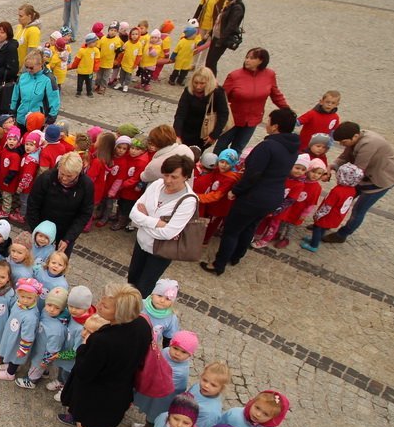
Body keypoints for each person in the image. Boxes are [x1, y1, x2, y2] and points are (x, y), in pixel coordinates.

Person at [56, 283, 153, 427]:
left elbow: (84, 371)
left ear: (121, 313)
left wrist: (84, 346)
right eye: (101, 300)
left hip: (95, 395)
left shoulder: (103, 340)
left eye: (106, 306)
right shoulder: (142, 325)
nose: (99, 306)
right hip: (120, 391)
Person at [202, 108, 299, 276]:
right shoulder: (292, 147)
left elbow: (253, 173)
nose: (266, 124)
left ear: (275, 126)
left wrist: (236, 191)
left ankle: (219, 264)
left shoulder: (267, 146)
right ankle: (237, 256)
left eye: (268, 121)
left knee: (232, 230)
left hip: (255, 196)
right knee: (249, 226)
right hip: (274, 195)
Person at [127, 155, 197, 298]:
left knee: (144, 287)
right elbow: (133, 213)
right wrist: (157, 222)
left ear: (186, 177)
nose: (168, 180)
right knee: (132, 280)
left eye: (174, 177)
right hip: (141, 243)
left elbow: (168, 233)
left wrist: (144, 220)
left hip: (161, 251)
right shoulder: (157, 184)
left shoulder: (188, 200)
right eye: (166, 175)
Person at [321, 122, 394, 244]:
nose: (342, 145)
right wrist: (331, 166)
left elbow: (356, 170)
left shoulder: (368, 144)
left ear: (354, 137)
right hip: (365, 177)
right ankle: (325, 223)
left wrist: (341, 184)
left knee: (358, 210)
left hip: (379, 180)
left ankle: (342, 234)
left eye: (344, 142)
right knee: (341, 201)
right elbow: (344, 156)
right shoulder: (355, 138)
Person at [214, 46, 288, 154]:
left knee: (238, 149)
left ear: (261, 61)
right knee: (221, 147)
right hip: (232, 120)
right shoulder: (234, 76)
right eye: (247, 57)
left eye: (252, 58)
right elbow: (222, 97)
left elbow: (276, 94)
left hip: (252, 121)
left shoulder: (270, 75)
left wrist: (287, 109)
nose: (247, 60)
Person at [25, 152, 93, 256]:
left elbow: (85, 213)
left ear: (78, 173)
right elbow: (32, 206)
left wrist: (68, 239)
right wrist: (37, 232)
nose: (64, 179)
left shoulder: (86, 185)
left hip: (65, 233)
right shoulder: (46, 178)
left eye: (69, 176)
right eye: (62, 174)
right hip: (41, 231)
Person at [172, 67, 228, 149]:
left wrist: (214, 135)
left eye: (202, 83)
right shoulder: (188, 91)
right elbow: (180, 114)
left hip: (204, 134)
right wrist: (177, 135)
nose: (198, 87)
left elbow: (223, 115)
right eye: (196, 83)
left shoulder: (217, 93)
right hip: (186, 130)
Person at [204, 0, 245, 76]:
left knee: (211, 62)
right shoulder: (231, 3)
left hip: (221, 39)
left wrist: (220, 41)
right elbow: (219, 21)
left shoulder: (237, 7)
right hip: (217, 36)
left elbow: (231, 26)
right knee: (209, 62)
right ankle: (209, 81)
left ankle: (211, 84)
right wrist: (210, 33)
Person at [10, 50, 58, 126]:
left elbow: (54, 99)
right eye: (26, 67)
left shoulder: (48, 79)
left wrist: (52, 117)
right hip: (21, 117)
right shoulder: (22, 77)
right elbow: (15, 95)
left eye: (31, 68)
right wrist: (12, 110)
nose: (28, 70)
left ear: (41, 64)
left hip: (37, 120)